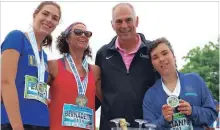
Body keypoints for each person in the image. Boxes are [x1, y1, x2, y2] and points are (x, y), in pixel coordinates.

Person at [95, 3, 158, 129]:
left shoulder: (153, 51)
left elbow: (168, 84)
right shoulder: (102, 54)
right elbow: (97, 92)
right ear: (112, 25)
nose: (124, 26)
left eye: (128, 20)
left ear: (137, 21)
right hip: (111, 126)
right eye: (119, 21)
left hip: (147, 126)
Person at [1, 1, 61, 130]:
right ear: (35, 14)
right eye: (45, 14)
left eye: (55, 18)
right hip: (15, 122)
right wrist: (17, 126)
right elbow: (6, 81)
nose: (49, 20)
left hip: (42, 123)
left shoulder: (43, 56)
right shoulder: (16, 37)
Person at [143, 37, 218, 130]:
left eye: (165, 53)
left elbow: (212, 114)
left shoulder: (195, 80)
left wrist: (192, 111)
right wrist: (164, 120)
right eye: (155, 57)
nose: (161, 59)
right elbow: (148, 127)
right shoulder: (150, 96)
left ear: (174, 56)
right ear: (153, 65)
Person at [48, 22, 100, 130]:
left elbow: (108, 101)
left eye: (87, 34)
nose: (83, 36)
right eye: (78, 32)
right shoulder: (53, 66)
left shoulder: (95, 71)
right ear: (67, 38)